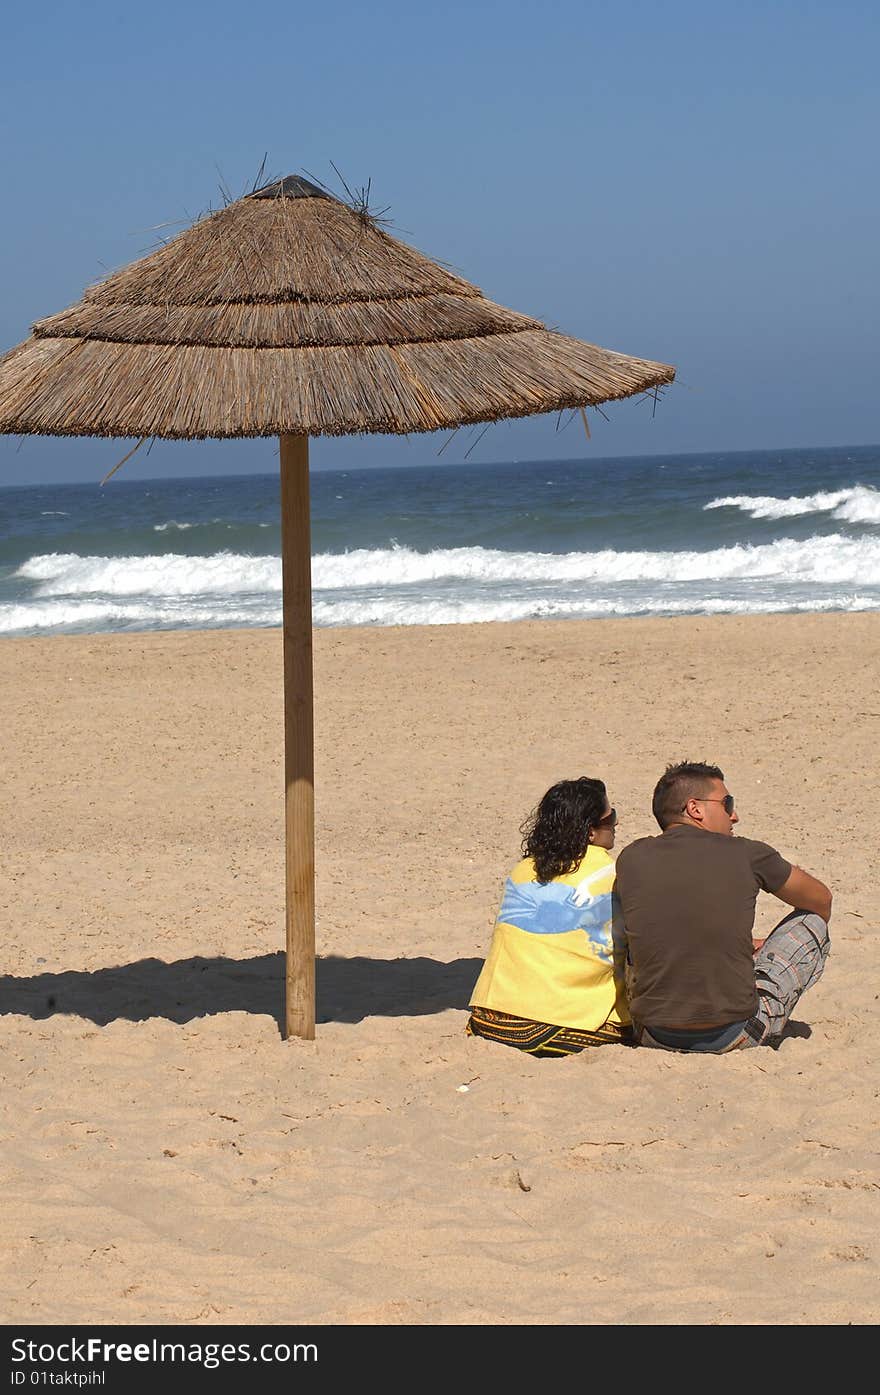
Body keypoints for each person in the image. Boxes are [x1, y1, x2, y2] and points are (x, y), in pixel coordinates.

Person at [614, 761, 831, 1053]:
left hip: (653, 1033)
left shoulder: (631, 857)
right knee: (812, 922)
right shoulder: (748, 853)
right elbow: (821, 900)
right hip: (736, 1032)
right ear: (695, 809)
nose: (734, 815)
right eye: (727, 803)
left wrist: (741, 943)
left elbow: (672, 923)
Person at [467, 777, 631, 1056]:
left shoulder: (523, 869)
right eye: (610, 816)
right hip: (553, 1025)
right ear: (590, 832)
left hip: (489, 1018)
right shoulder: (612, 874)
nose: (615, 823)